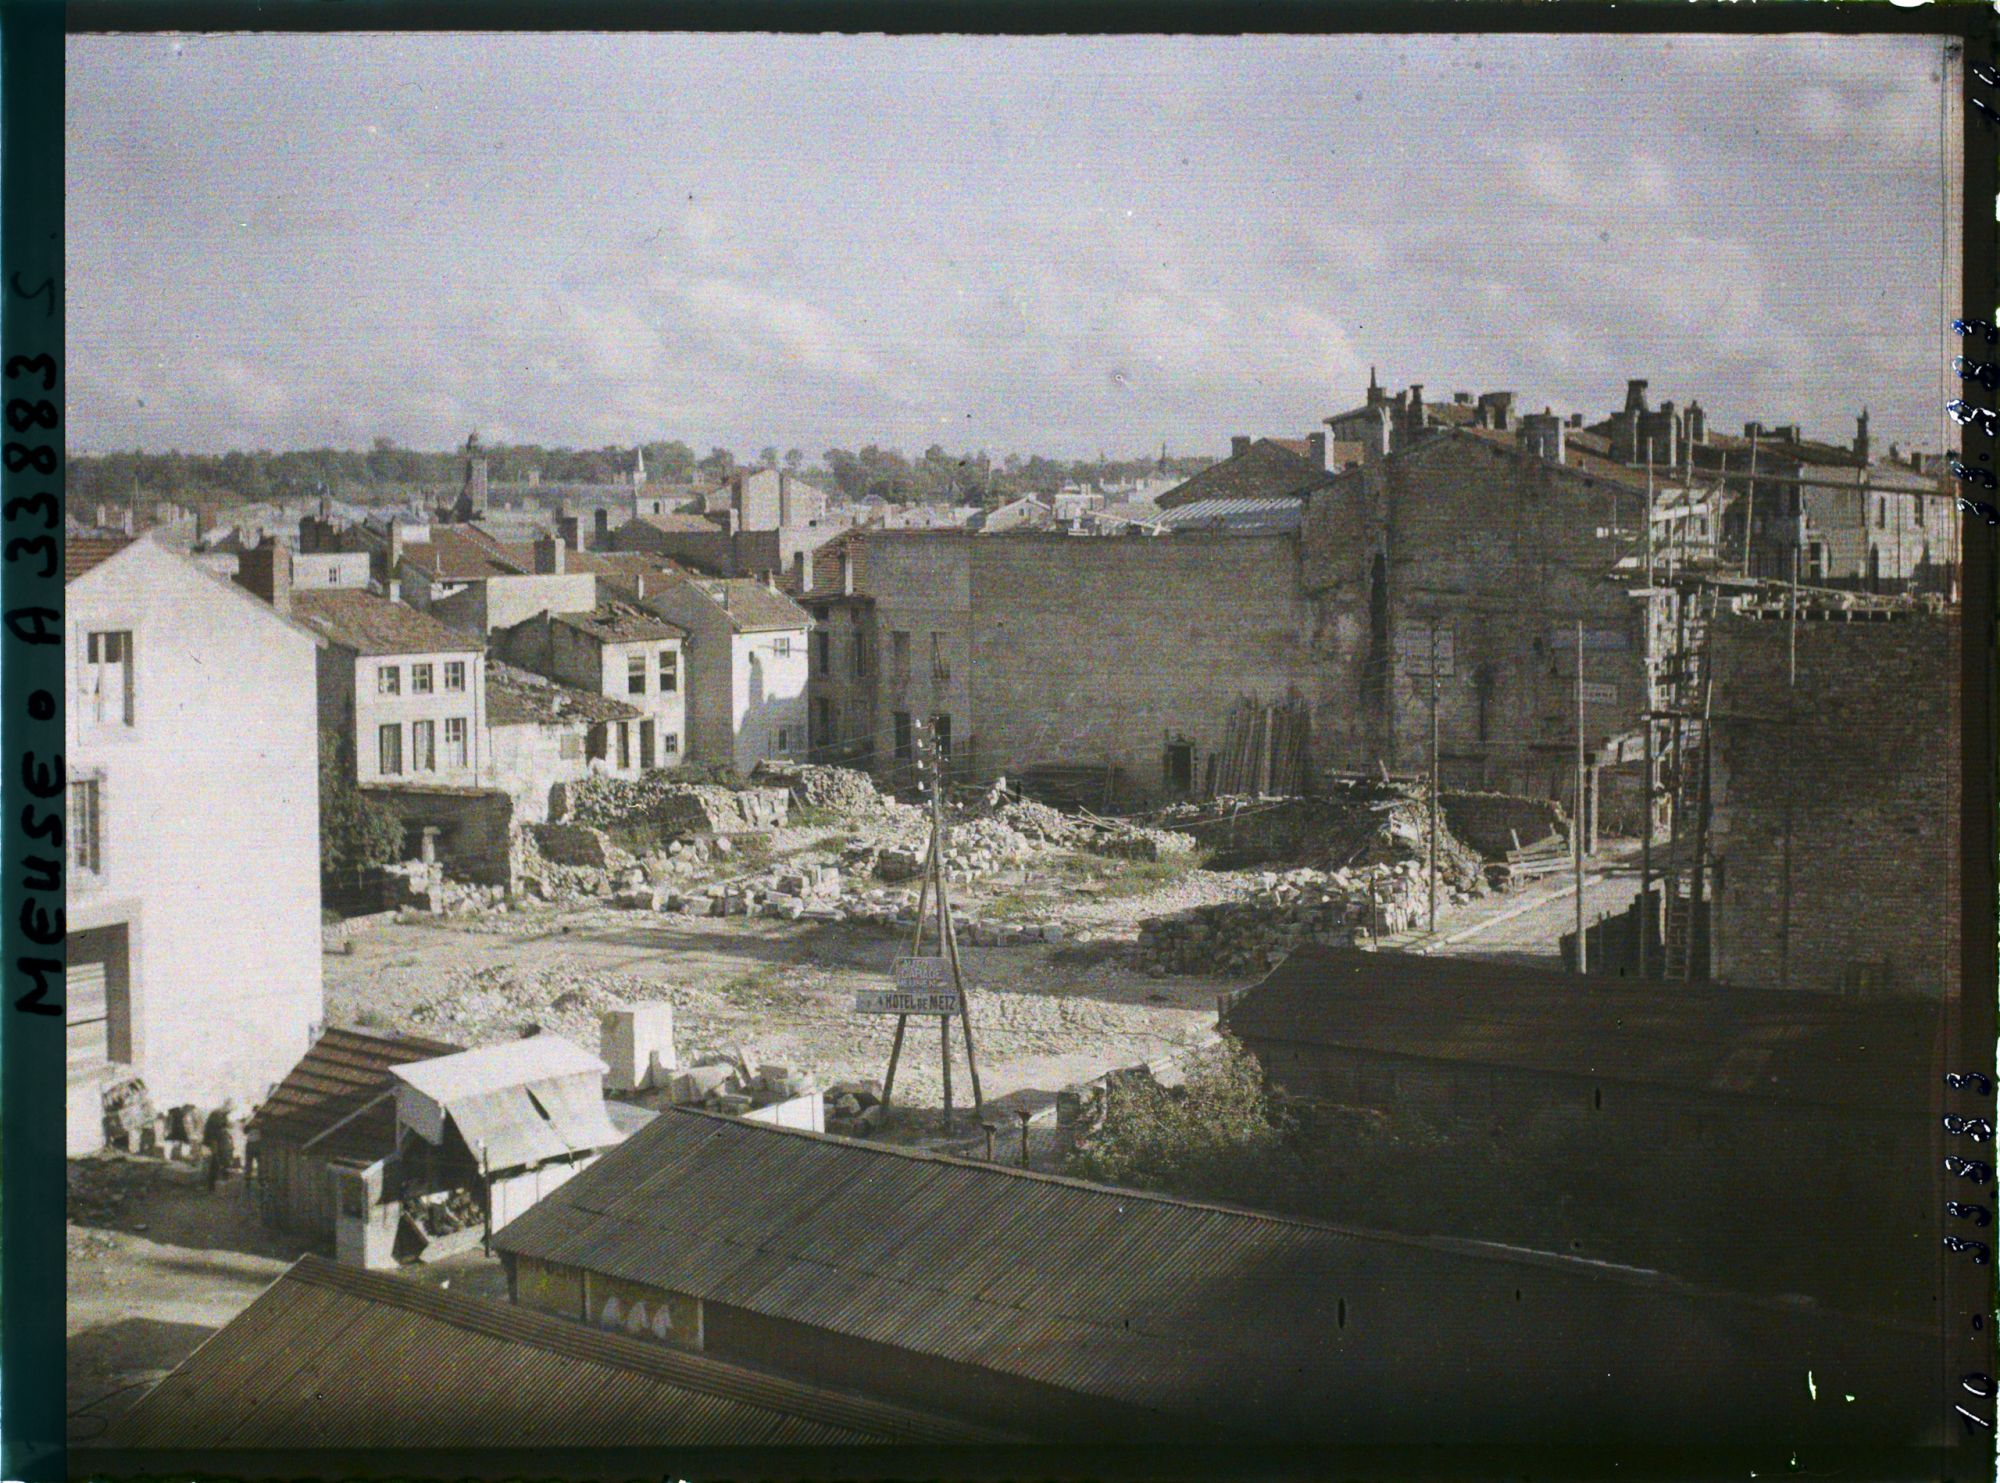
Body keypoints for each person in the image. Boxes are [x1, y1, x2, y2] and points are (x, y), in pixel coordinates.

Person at [202, 1099, 236, 1191]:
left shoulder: (222, 1115)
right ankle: (212, 1185)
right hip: (214, 1141)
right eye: (230, 1109)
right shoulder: (217, 1113)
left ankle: (220, 1183)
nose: (230, 1112)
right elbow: (214, 1128)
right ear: (226, 1106)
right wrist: (226, 1126)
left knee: (223, 1160)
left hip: (219, 1141)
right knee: (215, 1161)